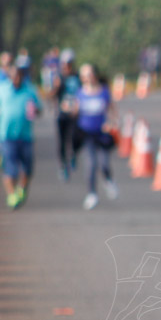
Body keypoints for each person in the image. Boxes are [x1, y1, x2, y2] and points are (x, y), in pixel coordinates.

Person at [0, 64, 42, 209]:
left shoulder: (30, 90)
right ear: (9, 77)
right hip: (6, 135)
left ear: (22, 76)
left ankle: (21, 189)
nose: (16, 79)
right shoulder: (1, 88)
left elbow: (39, 109)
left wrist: (35, 110)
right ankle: (11, 195)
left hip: (25, 135)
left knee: (28, 168)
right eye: (13, 76)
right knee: (10, 168)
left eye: (18, 76)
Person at [73, 63, 118, 210]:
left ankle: (109, 180)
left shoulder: (104, 92)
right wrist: (69, 109)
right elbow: (75, 111)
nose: (86, 77)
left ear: (95, 75)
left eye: (88, 74)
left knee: (104, 162)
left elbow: (111, 110)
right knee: (91, 164)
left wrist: (111, 123)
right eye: (83, 75)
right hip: (87, 133)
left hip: (102, 132)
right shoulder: (80, 92)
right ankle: (92, 194)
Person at [53, 49, 81, 180]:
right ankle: (63, 166)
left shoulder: (77, 77)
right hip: (62, 114)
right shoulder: (59, 77)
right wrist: (56, 87)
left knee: (76, 137)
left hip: (75, 113)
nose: (67, 66)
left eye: (69, 63)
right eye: (65, 63)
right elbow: (52, 95)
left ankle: (74, 154)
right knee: (62, 141)